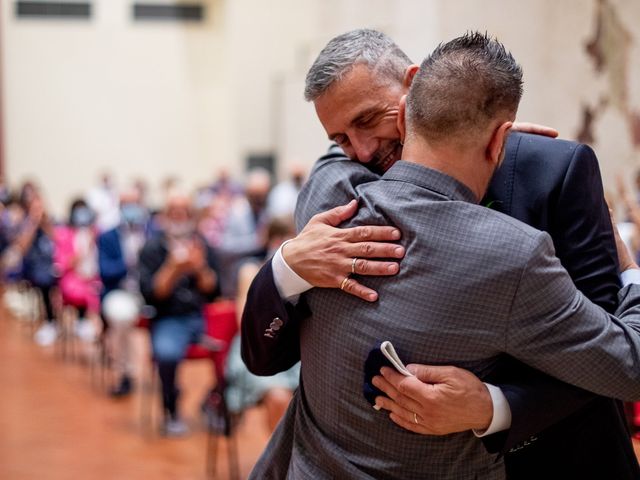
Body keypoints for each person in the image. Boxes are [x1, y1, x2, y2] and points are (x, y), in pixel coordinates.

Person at [241, 29, 637, 479]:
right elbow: (266, 356)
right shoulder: (337, 186)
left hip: (552, 454)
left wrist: (493, 406)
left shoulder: (554, 170)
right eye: (342, 139)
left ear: (412, 88)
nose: (364, 150)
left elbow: (600, 346)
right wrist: (288, 266)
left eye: (370, 119)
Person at [138, 190, 220, 436]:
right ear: (165, 215)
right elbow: (152, 294)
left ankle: (213, 402)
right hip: (169, 318)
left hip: (200, 316)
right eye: (174, 211)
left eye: (184, 211)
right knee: (166, 354)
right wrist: (174, 268)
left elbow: (214, 291)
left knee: (240, 348)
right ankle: (171, 406)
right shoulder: (151, 249)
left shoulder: (203, 245)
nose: (179, 216)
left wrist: (199, 267)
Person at [98, 188, 149, 397]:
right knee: (120, 317)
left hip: (149, 291)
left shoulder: (152, 232)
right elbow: (105, 271)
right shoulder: (108, 237)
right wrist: (128, 262)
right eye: (127, 204)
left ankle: (167, 375)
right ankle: (124, 373)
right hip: (120, 291)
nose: (131, 209)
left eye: (135, 203)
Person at [54, 198, 101, 342]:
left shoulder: (98, 233)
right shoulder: (64, 234)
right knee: (81, 292)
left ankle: (96, 327)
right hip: (73, 278)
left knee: (99, 291)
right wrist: (83, 250)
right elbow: (63, 263)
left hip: (95, 278)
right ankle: (82, 322)